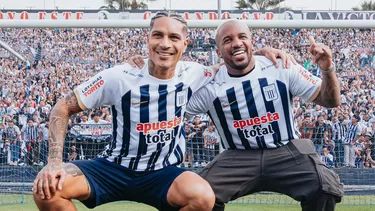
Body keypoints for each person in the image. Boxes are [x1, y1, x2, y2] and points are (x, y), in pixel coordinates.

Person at [33, 11, 219, 211]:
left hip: (164, 173)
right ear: (148, 39)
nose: (165, 44)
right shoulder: (119, 77)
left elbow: (227, 67)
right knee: (47, 190)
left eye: (174, 37)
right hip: (113, 168)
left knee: (203, 198)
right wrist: (54, 163)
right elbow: (62, 107)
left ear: (185, 44)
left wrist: (258, 55)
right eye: (158, 35)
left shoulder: (195, 72)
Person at [184, 20, 344, 210]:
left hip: (286, 151)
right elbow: (172, 112)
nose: (236, 43)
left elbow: (331, 101)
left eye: (242, 37)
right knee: (195, 195)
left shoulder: (281, 66)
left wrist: (327, 68)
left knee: (325, 187)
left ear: (252, 43)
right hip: (237, 157)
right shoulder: (211, 87)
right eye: (228, 40)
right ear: (218, 52)